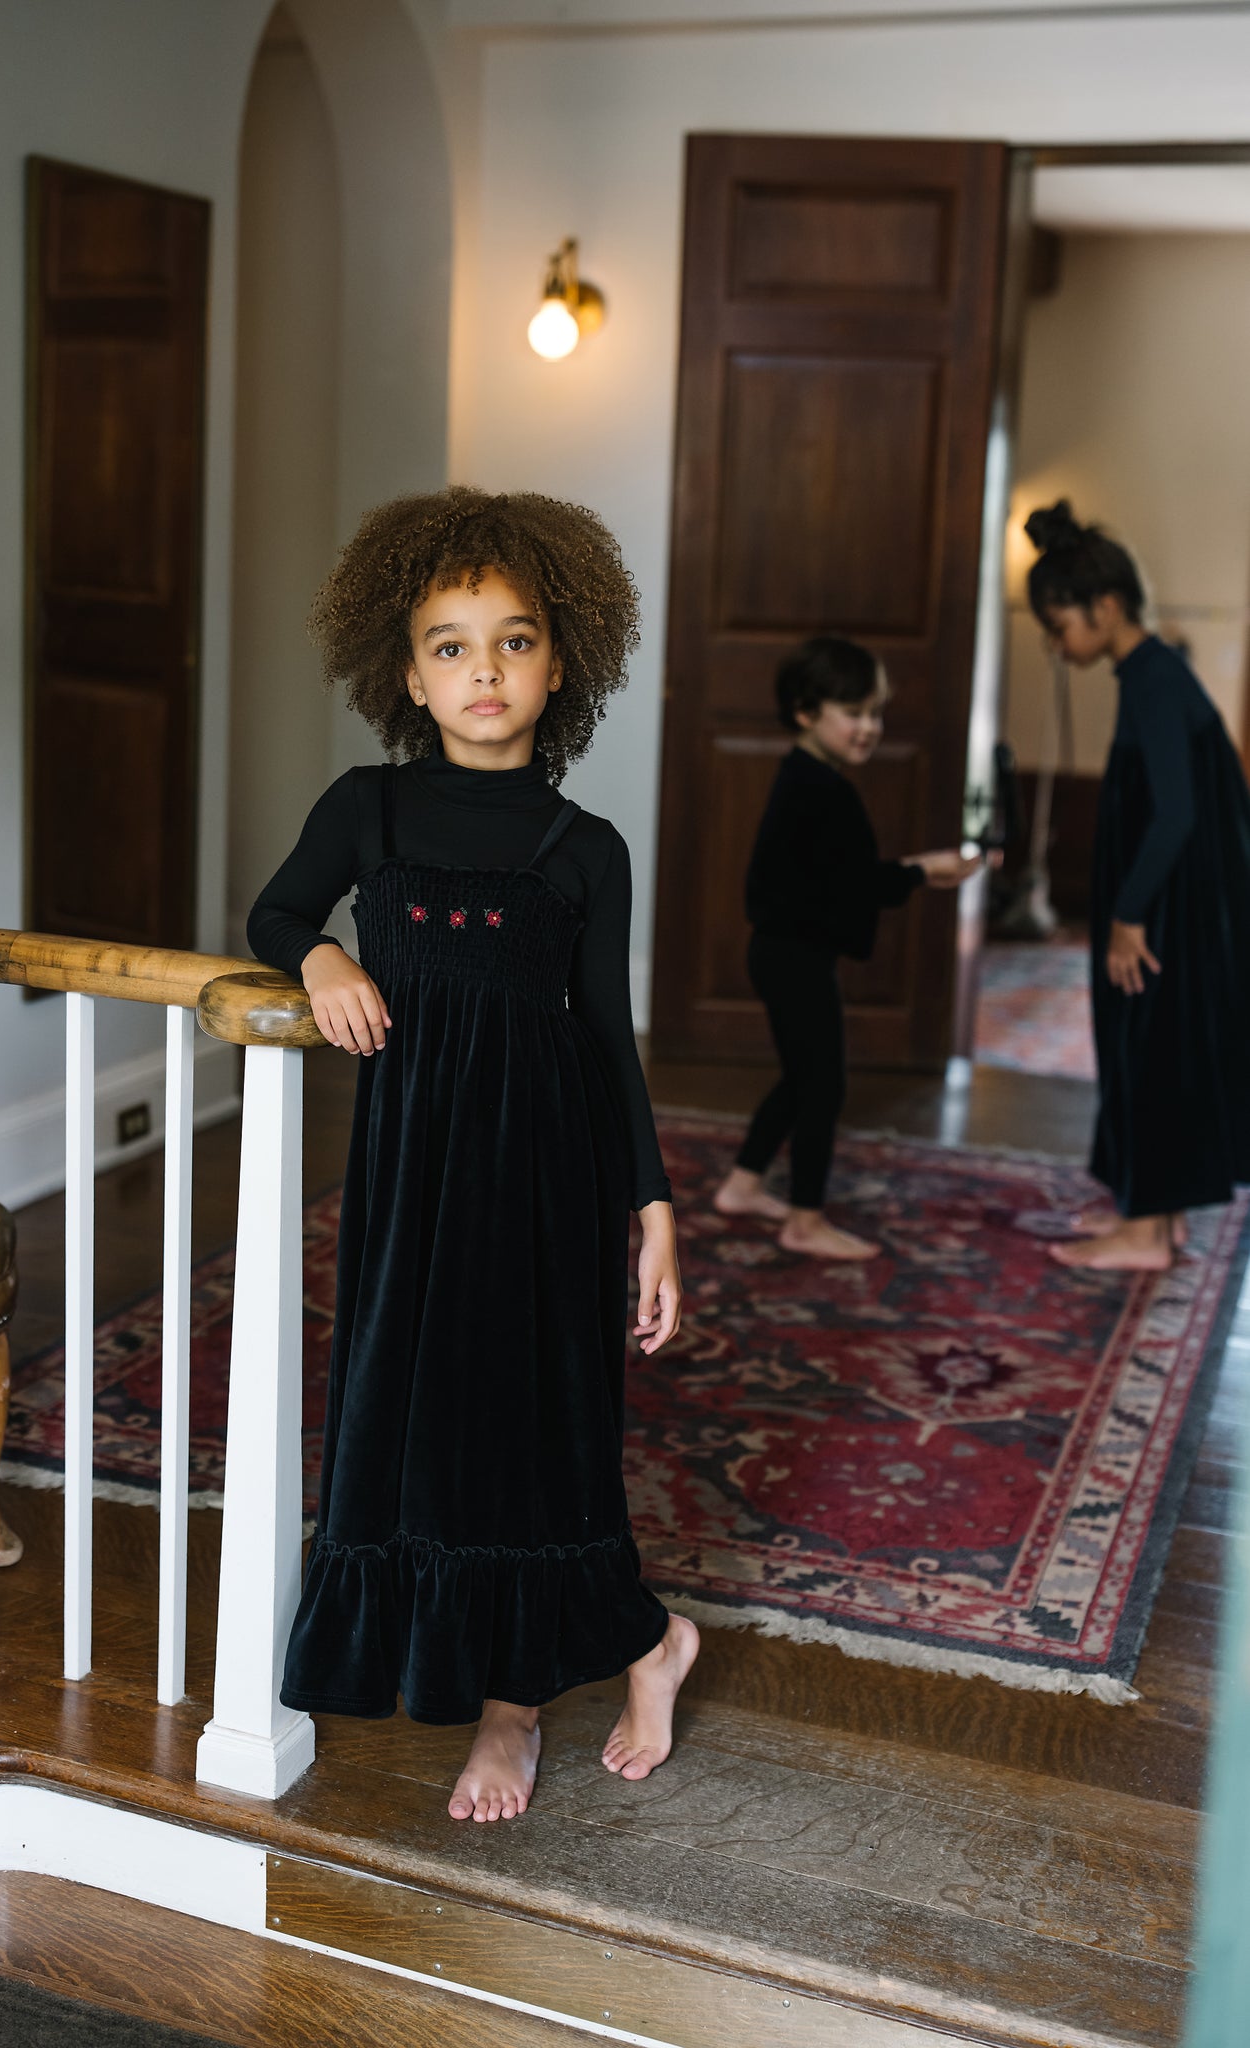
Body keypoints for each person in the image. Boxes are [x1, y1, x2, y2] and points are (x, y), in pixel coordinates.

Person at [248, 487, 698, 1825]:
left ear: (560, 665)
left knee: (530, 1425)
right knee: (417, 1407)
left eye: (513, 641)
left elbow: (607, 1037)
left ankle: (529, 1702)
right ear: (407, 673)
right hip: (411, 1170)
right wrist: (322, 957)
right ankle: (628, 1644)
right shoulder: (367, 810)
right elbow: (275, 911)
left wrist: (653, 1206)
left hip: (546, 1173)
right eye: (451, 645)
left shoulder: (586, 851)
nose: (483, 670)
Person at [1024, 500, 1250, 1271]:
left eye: (1059, 625)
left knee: (1149, 1049)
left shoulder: (1152, 681)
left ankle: (1147, 1233)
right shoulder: (1152, 673)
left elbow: (1175, 812)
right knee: (1157, 1045)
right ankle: (1160, 1217)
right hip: (1175, 906)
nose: (1056, 644)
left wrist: (1127, 916)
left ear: (1106, 606)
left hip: (1162, 913)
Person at [713, 637, 984, 1259]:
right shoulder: (823, 791)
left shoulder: (806, 776)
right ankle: (804, 1221)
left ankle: (742, 1185)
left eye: (875, 712)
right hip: (794, 958)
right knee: (823, 1086)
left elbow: (840, 880)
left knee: (804, 1076)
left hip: (782, 952)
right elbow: (860, 885)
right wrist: (923, 870)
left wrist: (916, 870)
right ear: (806, 712)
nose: (869, 727)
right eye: (853, 712)